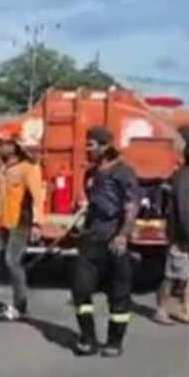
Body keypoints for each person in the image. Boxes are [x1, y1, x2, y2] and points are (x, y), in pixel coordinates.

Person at [71, 126, 138, 357]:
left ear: (104, 146)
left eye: (90, 146)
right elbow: (92, 204)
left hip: (114, 239)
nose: (87, 150)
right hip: (92, 239)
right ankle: (88, 339)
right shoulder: (92, 173)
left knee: (118, 294)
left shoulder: (123, 172)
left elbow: (131, 206)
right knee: (80, 290)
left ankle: (114, 342)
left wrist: (123, 235)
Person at [0, 128, 46, 321]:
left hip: (21, 221)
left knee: (12, 261)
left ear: (14, 145)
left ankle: (20, 305)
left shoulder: (28, 167)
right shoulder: (3, 169)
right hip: (5, 222)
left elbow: (37, 197)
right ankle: (18, 302)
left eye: (3, 144)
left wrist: (37, 223)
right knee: (9, 262)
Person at [156, 144, 189, 324]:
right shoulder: (184, 179)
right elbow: (186, 211)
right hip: (182, 235)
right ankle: (161, 309)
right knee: (173, 274)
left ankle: (188, 309)